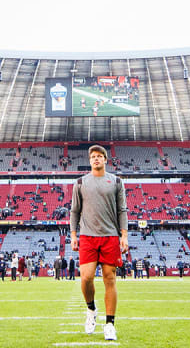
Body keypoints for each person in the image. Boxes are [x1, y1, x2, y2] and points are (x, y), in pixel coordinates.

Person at [71, 144, 128, 342]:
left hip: (110, 236)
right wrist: (73, 234)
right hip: (87, 236)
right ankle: (91, 309)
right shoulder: (80, 182)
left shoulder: (116, 181)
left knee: (109, 278)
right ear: (89, 161)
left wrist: (124, 235)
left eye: (99, 156)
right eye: (93, 156)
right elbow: (74, 211)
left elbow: (122, 210)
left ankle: (110, 324)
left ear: (105, 159)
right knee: (86, 277)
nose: (96, 159)